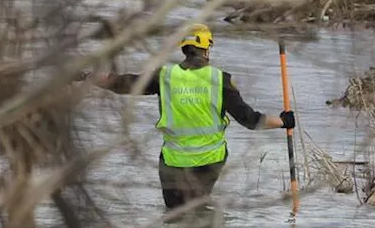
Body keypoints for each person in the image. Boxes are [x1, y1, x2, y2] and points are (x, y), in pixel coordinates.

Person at [81, 23, 296, 212]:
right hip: (210, 161)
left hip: (173, 161)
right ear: (206, 49)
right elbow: (249, 119)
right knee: (196, 212)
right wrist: (282, 121)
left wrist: (86, 76)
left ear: (184, 48)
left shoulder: (165, 76)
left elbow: (122, 83)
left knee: (175, 216)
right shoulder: (219, 79)